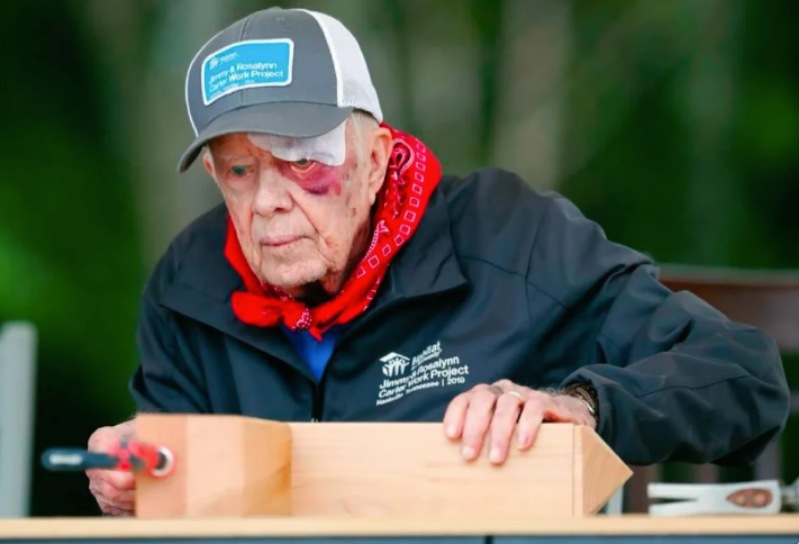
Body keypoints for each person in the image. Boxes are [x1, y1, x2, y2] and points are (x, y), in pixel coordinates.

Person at [85, 6, 790, 517]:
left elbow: (745, 381)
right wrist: (138, 476)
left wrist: (581, 407)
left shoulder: (510, 235)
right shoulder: (189, 283)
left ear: (372, 156)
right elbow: (179, 494)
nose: (267, 200)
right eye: (239, 170)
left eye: (300, 162)